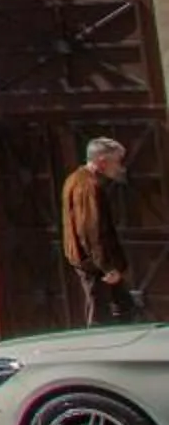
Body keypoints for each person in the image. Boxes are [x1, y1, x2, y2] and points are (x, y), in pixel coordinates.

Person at [62, 136, 138, 323]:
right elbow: (91, 230)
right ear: (102, 161)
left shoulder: (78, 179)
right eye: (116, 162)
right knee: (100, 312)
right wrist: (107, 267)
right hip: (94, 263)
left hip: (94, 261)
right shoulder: (88, 186)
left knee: (122, 306)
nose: (120, 167)